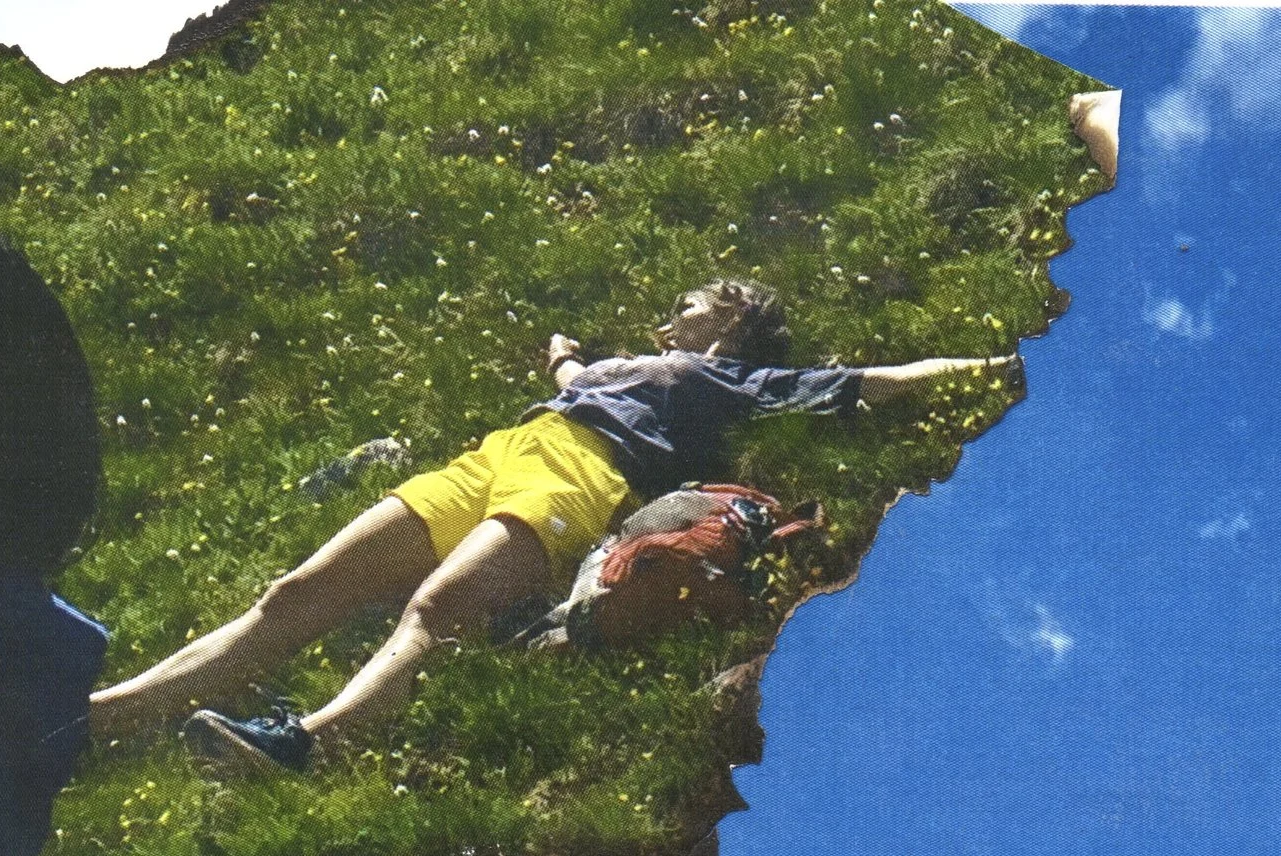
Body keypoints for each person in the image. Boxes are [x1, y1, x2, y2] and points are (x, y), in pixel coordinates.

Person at [88, 280, 1013, 778]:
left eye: (689, 302)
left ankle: (313, 742)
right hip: (500, 452)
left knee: (439, 604)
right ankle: (105, 718)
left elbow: (863, 383)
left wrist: (987, 363)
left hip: (585, 472)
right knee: (297, 592)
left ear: (730, 315)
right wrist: (567, 355)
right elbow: (573, 375)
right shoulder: (632, 361)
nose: (668, 312)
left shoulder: (720, 381)